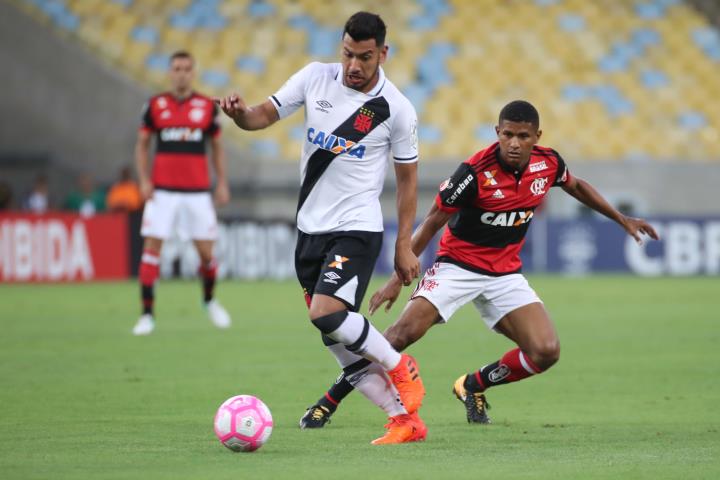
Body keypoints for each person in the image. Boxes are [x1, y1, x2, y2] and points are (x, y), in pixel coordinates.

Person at [303, 100, 659, 426]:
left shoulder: (548, 163)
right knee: (400, 335)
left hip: (505, 274)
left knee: (546, 352)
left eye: (523, 136)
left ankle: (472, 385)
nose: (515, 143)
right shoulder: (474, 172)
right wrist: (399, 279)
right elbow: (432, 221)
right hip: (456, 267)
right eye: (508, 134)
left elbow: (577, 186)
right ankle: (329, 400)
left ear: (537, 136)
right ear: (497, 133)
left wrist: (621, 219)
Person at [217, 12, 427, 444]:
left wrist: (404, 244)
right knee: (336, 341)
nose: (354, 65)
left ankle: (399, 365)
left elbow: (408, 183)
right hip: (309, 230)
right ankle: (404, 421)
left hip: (357, 229)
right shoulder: (315, 78)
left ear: (383, 54)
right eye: (348, 53)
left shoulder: (397, 110)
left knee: (327, 313)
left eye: (365, 57)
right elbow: (262, 115)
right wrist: (239, 115)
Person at [132, 50, 231, 336]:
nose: (182, 73)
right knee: (151, 251)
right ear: (169, 72)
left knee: (206, 255)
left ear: (193, 72)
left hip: (197, 192)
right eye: (176, 68)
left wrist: (222, 182)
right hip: (162, 191)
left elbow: (217, 148)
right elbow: (142, 145)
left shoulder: (206, 106)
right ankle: (147, 315)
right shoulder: (154, 105)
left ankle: (209, 301)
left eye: (187, 68)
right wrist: (143, 179)